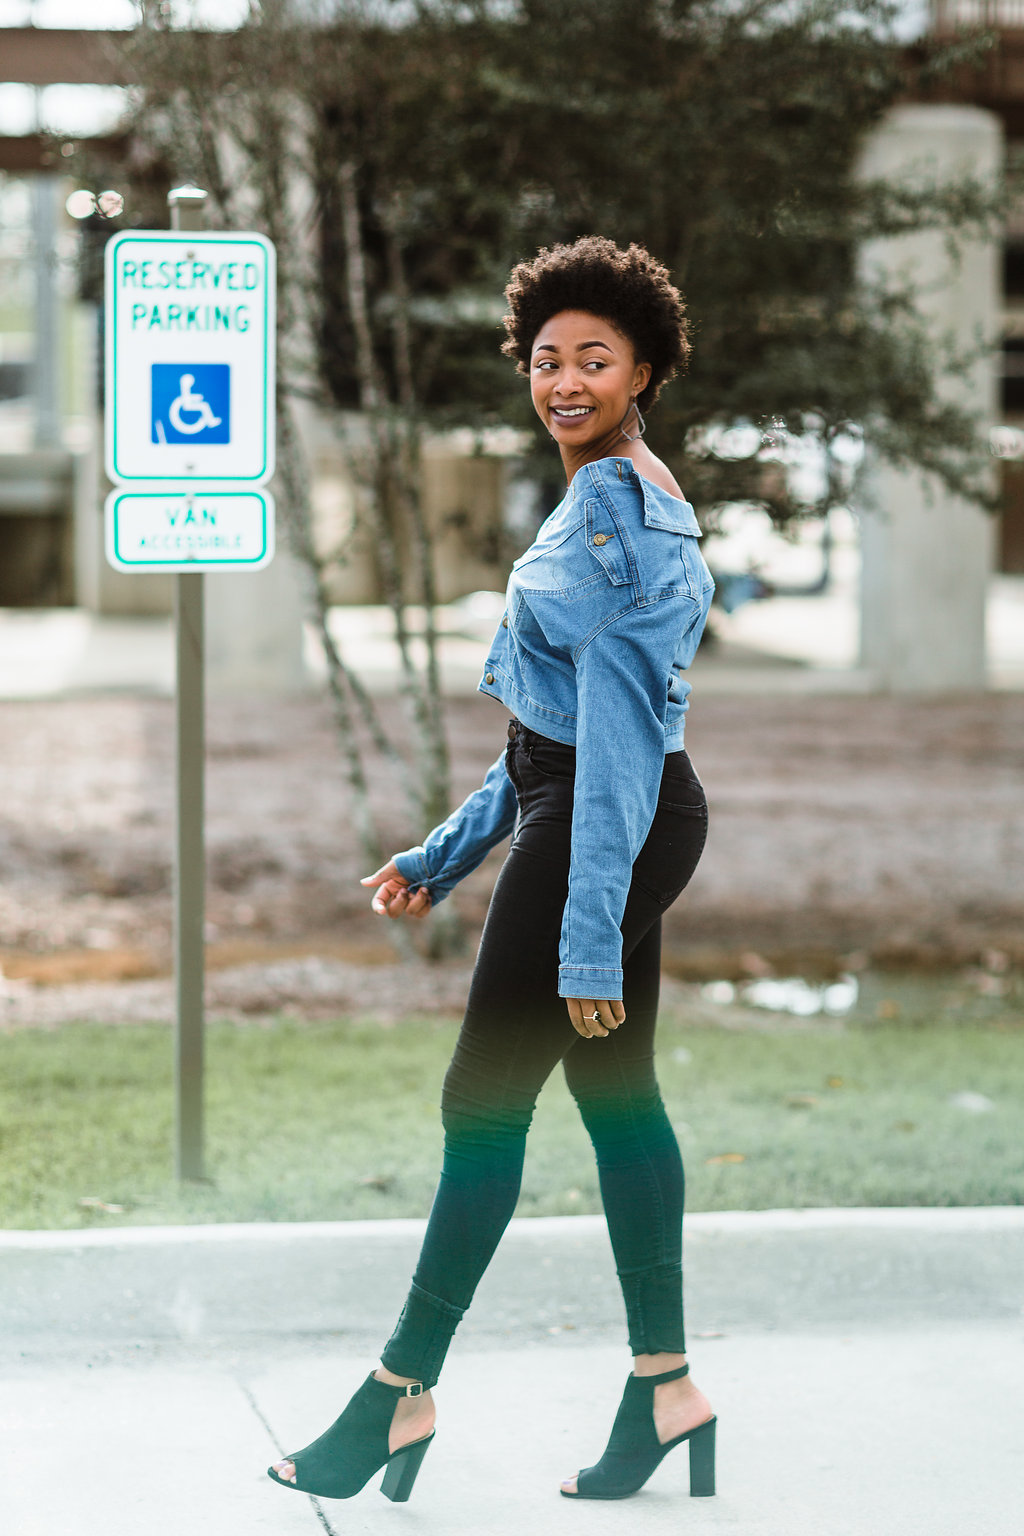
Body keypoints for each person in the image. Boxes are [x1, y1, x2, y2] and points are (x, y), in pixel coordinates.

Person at [268, 235, 717, 1505]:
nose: (563, 380)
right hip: (602, 816)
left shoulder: (615, 512)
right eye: (545, 357)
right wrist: (446, 854)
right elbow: (550, 741)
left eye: (595, 359)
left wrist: (584, 938)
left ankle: (395, 1396)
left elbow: (613, 748)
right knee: (618, 1099)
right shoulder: (622, 491)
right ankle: (666, 1389)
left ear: (645, 366)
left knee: (483, 1106)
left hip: (607, 826)